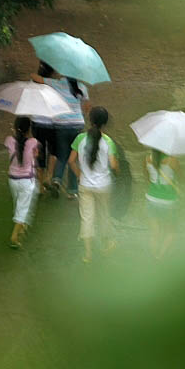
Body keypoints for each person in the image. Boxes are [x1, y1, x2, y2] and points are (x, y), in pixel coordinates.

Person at [31, 62, 91, 199]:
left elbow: (36, 78)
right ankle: (72, 191)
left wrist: (38, 71)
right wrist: (83, 114)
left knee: (62, 156)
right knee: (73, 157)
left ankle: (56, 180)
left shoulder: (56, 83)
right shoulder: (82, 87)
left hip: (61, 125)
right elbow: (87, 106)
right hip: (77, 124)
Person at [67, 106, 118, 263]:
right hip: (104, 186)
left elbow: (71, 161)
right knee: (104, 214)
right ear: (105, 123)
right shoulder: (108, 141)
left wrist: (80, 174)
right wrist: (117, 173)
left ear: (90, 120)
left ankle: (87, 254)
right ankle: (107, 243)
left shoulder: (80, 139)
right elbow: (114, 165)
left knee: (87, 218)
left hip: (85, 185)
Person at [4, 116, 40, 248]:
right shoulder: (33, 142)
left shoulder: (9, 140)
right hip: (26, 180)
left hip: (12, 179)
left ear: (14, 127)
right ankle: (14, 236)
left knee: (17, 203)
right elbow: (34, 156)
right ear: (29, 129)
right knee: (23, 209)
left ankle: (21, 226)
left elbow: (11, 149)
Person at [144, 149, 181, 260]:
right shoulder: (172, 160)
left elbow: (147, 177)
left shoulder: (147, 158)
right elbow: (182, 177)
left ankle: (154, 255)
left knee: (154, 232)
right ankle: (161, 255)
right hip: (168, 200)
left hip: (151, 198)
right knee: (170, 230)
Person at [29, 61, 58, 196]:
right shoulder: (54, 85)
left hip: (36, 122)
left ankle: (40, 186)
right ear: (52, 72)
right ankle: (49, 177)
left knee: (39, 153)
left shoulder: (32, 83)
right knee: (53, 151)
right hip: (52, 123)